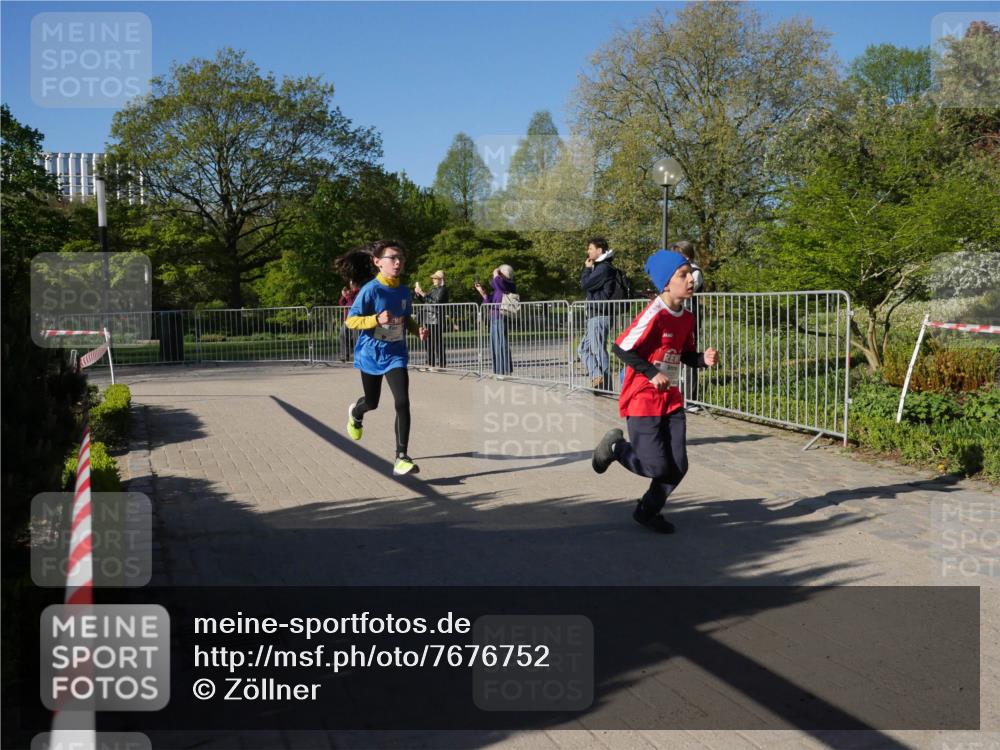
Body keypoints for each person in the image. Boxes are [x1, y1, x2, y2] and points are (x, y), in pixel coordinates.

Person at [591, 249, 719, 533]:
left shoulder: (686, 316)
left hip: (671, 399)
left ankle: (647, 511)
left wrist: (702, 360)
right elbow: (620, 347)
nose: (691, 280)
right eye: (682, 275)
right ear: (666, 282)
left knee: (679, 466)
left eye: (690, 274)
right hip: (643, 399)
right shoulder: (654, 313)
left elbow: (684, 354)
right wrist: (651, 372)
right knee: (656, 468)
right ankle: (615, 448)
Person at [337, 240, 428, 476]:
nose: (398, 262)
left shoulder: (404, 290)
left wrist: (416, 330)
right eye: (392, 258)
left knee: (402, 402)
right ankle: (356, 414)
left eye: (401, 258)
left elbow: (406, 317)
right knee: (372, 402)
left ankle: (401, 457)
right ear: (378, 262)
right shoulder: (370, 290)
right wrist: (375, 319)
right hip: (371, 354)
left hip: (396, 354)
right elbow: (351, 321)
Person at [578, 237, 616, 389]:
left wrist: (587, 269)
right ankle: (597, 376)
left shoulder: (603, 268)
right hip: (596, 314)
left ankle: (605, 386)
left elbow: (585, 284)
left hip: (600, 314)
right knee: (582, 349)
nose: (588, 251)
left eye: (590, 249)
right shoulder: (601, 267)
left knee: (598, 350)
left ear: (599, 250)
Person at [671, 240, 704, 408]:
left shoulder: (695, 272)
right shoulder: (676, 272)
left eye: (680, 255)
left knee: (689, 353)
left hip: (689, 316)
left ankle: (690, 398)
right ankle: (675, 394)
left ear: (687, 255)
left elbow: (688, 290)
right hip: (676, 315)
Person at [474, 264, 515, 378]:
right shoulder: (499, 288)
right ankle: (498, 371)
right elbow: (489, 301)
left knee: (502, 344)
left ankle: (505, 371)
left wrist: (496, 272)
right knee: (495, 345)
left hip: (502, 317)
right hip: (494, 317)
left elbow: (497, 282)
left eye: (500, 274)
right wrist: (483, 293)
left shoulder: (509, 285)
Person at [414, 270, 449, 371]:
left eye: (435, 278)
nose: (433, 280)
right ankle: (430, 364)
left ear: (441, 279)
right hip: (428, 318)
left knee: (437, 342)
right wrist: (418, 294)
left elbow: (436, 302)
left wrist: (423, 294)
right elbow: (425, 301)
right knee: (428, 342)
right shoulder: (433, 289)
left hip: (436, 319)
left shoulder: (443, 290)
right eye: (433, 278)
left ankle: (442, 365)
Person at [337, 280, 360, 362]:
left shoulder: (359, 293)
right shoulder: (350, 294)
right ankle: (344, 355)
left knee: (356, 337)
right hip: (348, 319)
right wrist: (344, 295)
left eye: (352, 284)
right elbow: (341, 303)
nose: (351, 286)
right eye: (350, 285)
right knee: (342, 334)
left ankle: (358, 356)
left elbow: (353, 304)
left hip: (357, 318)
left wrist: (347, 296)